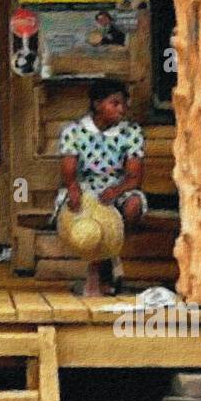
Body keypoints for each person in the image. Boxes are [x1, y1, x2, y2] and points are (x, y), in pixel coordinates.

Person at [55, 79, 145, 296]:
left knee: (133, 205)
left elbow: (135, 176)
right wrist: (74, 189)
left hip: (118, 188)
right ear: (97, 104)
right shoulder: (74, 132)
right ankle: (108, 264)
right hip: (85, 187)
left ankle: (99, 269)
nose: (121, 109)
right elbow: (69, 172)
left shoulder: (131, 132)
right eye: (115, 104)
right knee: (88, 219)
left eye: (124, 104)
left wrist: (117, 190)